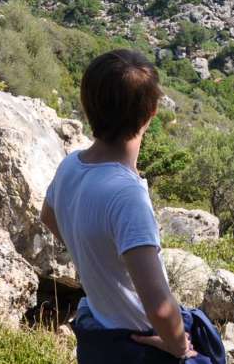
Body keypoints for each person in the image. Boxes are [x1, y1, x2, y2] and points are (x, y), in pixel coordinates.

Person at [41, 49, 197, 363]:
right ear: (151, 113)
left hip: (98, 331)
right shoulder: (128, 197)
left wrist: (93, 259)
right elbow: (160, 308)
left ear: (87, 107)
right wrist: (180, 348)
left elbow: (49, 216)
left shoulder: (71, 166)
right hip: (138, 342)